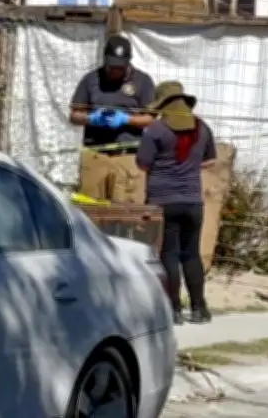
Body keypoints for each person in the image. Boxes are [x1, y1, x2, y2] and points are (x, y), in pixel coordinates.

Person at [136, 81, 217, 325]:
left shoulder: (156, 130)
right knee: (191, 254)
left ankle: (173, 310)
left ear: (164, 107)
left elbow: (142, 163)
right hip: (193, 201)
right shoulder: (202, 128)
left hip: (164, 202)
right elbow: (210, 160)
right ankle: (199, 308)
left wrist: (167, 167)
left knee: (168, 254)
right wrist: (189, 166)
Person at [70, 34, 156, 202]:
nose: (115, 71)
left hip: (128, 157)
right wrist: (92, 118)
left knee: (127, 214)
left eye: (120, 68)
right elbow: (74, 115)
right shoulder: (90, 80)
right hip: (95, 155)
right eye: (112, 67)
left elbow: (151, 119)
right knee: (91, 211)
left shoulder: (143, 82)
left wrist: (126, 119)